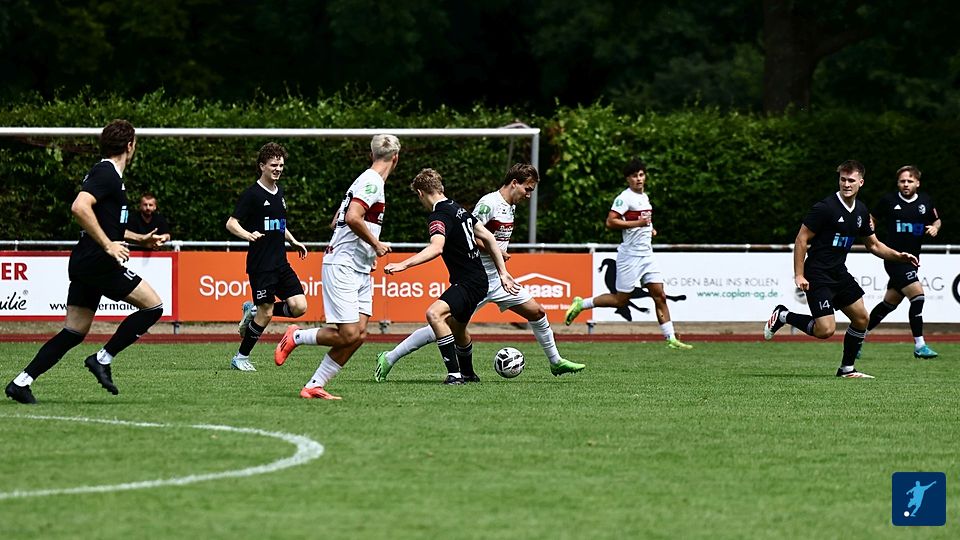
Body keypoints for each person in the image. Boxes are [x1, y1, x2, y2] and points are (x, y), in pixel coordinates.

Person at [374, 164, 585, 381]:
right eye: (527, 189)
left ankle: (555, 361)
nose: (529, 195)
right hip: (477, 278)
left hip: (496, 280)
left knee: (537, 312)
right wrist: (497, 254)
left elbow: (486, 237)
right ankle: (392, 357)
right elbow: (472, 237)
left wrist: (503, 270)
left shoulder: (506, 207)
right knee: (442, 324)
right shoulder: (488, 204)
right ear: (514, 183)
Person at [4, 119, 166, 404]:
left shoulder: (109, 175)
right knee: (154, 306)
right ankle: (102, 358)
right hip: (98, 262)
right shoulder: (107, 173)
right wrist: (108, 245)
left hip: (86, 262)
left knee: (73, 331)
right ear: (130, 146)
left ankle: (21, 382)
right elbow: (79, 207)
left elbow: (108, 225)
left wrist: (140, 239)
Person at [763, 160, 919, 378]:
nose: (846, 184)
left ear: (861, 182)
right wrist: (799, 274)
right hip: (817, 273)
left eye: (851, 180)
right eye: (843, 180)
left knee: (862, 318)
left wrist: (899, 256)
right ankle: (783, 315)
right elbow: (801, 239)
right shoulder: (825, 208)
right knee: (825, 330)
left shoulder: (861, 211)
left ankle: (847, 369)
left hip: (839, 273)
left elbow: (874, 245)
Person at [273, 134, 399, 399]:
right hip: (343, 264)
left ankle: (314, 385)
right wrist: (375, 244)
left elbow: (336, 221)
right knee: (348, 333)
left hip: (358, 266)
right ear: (396, 159)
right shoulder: (372, 181)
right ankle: (296, 336)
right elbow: (352, 217)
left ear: (371, 155)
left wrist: (367, 250)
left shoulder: (364, 180)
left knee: (359, 335)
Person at [382, 168, 519, 384]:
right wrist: (503, 273)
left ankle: (454, 375)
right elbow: (489, 238)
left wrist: (403, 264)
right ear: (440, 188)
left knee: (434, 314)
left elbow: (436, 247)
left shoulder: (439, 215)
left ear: (420, 193)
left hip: (468, 282)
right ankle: (468, 374)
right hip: (479, 281)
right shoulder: (458, 209)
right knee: (458, 328)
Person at [564, 158, 693, 349]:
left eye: (641, 175)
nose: (638, 179)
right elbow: (611, 222)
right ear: (628, 179)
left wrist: (650, 229)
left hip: (647, 255)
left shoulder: (644, 197)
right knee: (620, 301)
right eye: (634, 176)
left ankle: (671, 338)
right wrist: (638, 224)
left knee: (660, 295)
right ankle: (582, 304)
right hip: (630, 256)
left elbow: (644, 220)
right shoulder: (624, 198)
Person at [226, 142, 308, 372]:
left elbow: (278, 225)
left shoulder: (279, 192)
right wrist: (248, 235)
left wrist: (292, 240)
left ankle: (253, 311)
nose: (278, 169)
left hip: (281, 262)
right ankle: (240, 358)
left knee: (299, 307)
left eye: (281, 165)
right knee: (267, 312)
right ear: (262, 166)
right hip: (261, 264)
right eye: (273, 165)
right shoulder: (252, 194)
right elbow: (231, 223)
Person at [863, 165, 941, 359]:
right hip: (894, 259)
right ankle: (920, 345)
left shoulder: (925, 201)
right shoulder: (889, 201)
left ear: (917, 183)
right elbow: (871, 219)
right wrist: (871, 236)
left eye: (909, 181)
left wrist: (935, 227)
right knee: (918, 296)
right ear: (898, 183)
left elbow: (937, 220)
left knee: (889, 304)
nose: (906, 184)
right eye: (902, 181)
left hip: (913, 261)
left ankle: (858, 337)